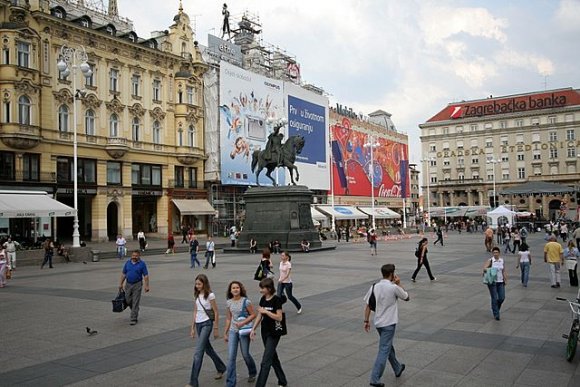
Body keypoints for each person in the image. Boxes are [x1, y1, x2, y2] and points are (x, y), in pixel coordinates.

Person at [364, 264, 409, 386]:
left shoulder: (374, 287)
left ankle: (397, 368)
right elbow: (406, 297)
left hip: (378, 323)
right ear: (392, 274)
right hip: (389, 324)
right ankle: (375, 378)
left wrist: (366, 321)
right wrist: (399, 283)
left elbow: (368, 305)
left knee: (388, 346)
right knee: (384, 349)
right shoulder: (393, 287)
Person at [187, 274, 226, 387]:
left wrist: (216, 328)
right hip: (198, 324)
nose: (197, 286)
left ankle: (193, 382)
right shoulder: (197, 294)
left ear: (204, 283)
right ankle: (221, 367)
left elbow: (216, 311)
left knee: (198, 353)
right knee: (207, 349)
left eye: (199, 284)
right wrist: (192, 328)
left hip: (207, 324)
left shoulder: (210, 295)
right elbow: (195, 311)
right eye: (196, 284)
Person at [251, 278, 288, 387]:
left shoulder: (276, 300)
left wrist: (266, 311)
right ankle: (282, 380)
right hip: (265, 332)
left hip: (274, 333)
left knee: (265, 361)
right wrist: (253, 329)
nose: (260, 290)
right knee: (272, 357)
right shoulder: (263, 299)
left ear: (269, 288)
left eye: (262, 288)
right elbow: (259, 315)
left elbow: (279, 317)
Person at [224, 281, 257, 386]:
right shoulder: (229, 302)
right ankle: (230, 383)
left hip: (243, 331)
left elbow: (253, 315)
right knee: (231, 357)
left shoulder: (246, 301)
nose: (235, 289)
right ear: (230, 290)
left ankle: (252, 371)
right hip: (233, 331)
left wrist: (243, 322)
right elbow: (228, 319)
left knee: (245, 354)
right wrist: (225, 332)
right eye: (233, 288)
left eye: (237, 287)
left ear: (240, 289)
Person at [119, 250, 150, 325]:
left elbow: (145, 275)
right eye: (133, 255)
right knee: (127, 299)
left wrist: (146, 286)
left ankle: (133, 318)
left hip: (137, 284)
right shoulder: (128, 263)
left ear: (139, 256)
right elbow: (124, 274)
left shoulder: (142, 264)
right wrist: (120, 284)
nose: (134, 257)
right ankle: (135, 309)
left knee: (135, 301)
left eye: (136, 256)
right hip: (128, 284)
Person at [483, 246, 507, 320]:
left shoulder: (501, 260)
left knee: (502, 298)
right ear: (492, 253)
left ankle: (495, 308)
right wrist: (489, 270)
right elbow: (484, 268)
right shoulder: (490, 260)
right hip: (492, 282)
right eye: (494, 252)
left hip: (501, 281)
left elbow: (504, 270)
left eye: (497, 252)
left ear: (499, 253)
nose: (495, 254)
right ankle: (496, 314)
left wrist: (505, 279)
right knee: (494, 297)